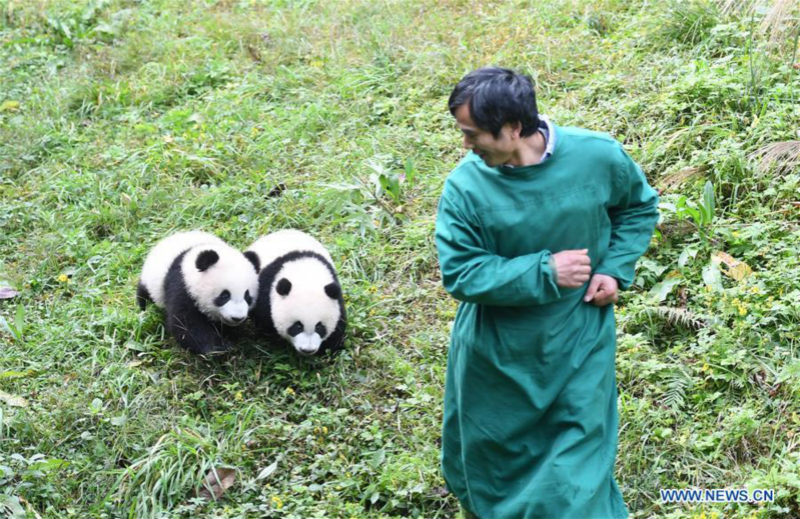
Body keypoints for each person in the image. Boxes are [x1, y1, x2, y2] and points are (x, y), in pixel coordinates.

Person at [434, 66, 659, 519]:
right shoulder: (465, 187)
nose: (465, 145)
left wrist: (613, 270)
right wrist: (545, 271)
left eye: (473, 134)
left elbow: (638, 207)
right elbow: (460, 272)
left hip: (578, 340)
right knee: (493, 464)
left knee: (576, 468)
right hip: (496, 355)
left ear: (514, 128)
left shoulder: (596, 157)